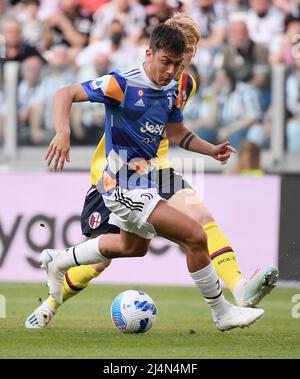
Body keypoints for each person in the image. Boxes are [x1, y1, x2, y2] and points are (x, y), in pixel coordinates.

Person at [25, 17, 275, 330]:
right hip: (118, 178)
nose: (174, 68)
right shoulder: (124, 83)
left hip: (153, 172)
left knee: (133, 247)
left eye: (184, 57)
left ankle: (58, 261)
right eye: (168, 60)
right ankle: (222, 311)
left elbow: (176, 132)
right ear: (152, 53)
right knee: (194, 235)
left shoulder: (177, 86)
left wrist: (211, 150)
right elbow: (65, 93)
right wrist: (63, 132)